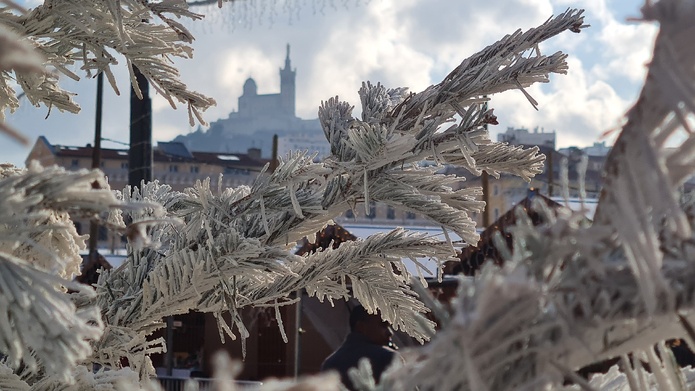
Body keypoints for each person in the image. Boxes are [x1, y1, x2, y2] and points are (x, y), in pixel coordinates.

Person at [321, 305, 399, 390]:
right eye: (383, 325)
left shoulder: (330, 363)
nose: (390, 332)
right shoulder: (388, 357)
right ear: (361, 327)